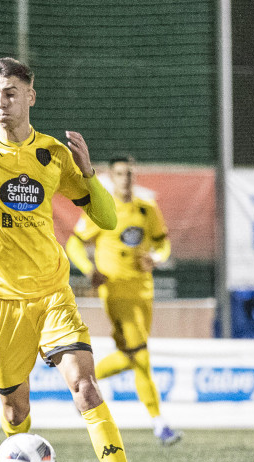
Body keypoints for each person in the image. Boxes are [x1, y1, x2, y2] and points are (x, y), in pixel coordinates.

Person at [0, 57, 164, 462]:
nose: (2, 103)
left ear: (31, 96)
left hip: (53, 293)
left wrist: (86, 171)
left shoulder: (53, 154)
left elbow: (103, 218)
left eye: (12, 93)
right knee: (14, 409)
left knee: (86, 387)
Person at [64, 156, 183, 446]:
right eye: (119, 173)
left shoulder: (146, 208)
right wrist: (90, 270)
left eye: (129, 173)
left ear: (135, 175)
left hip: (144, 291)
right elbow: (74, 243)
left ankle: (83, 384)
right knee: (141, 356)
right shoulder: (103, 209)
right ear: (111, 177)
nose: (125, 178)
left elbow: (162, 242)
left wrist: (156, 257)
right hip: (116, 293)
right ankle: (160, 424)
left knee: (132, 356)